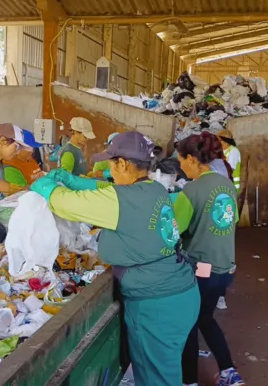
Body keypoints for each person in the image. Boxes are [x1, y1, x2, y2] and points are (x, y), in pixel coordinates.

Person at [31, 131, 200, 385]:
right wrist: (73, 180)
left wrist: (46, 186)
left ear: (122, 164)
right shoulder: (154, 189)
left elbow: (64, 203)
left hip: (157, 305)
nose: (109, 170)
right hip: (180, 293)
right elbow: (107, 189)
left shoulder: (122, 201)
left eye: (111, 164)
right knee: (163, 371)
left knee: (158, 379)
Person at [175, 132, 244, 386]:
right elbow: (230, 220)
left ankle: (189, 381)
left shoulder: (191, 190)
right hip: (224, 269)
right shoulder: (226, 185)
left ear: (192, 159)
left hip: (200, 270)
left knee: (188, 325)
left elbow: (174, 231)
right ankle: (228, 372)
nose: (180, 167)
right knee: (205, 317)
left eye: (181, 161)